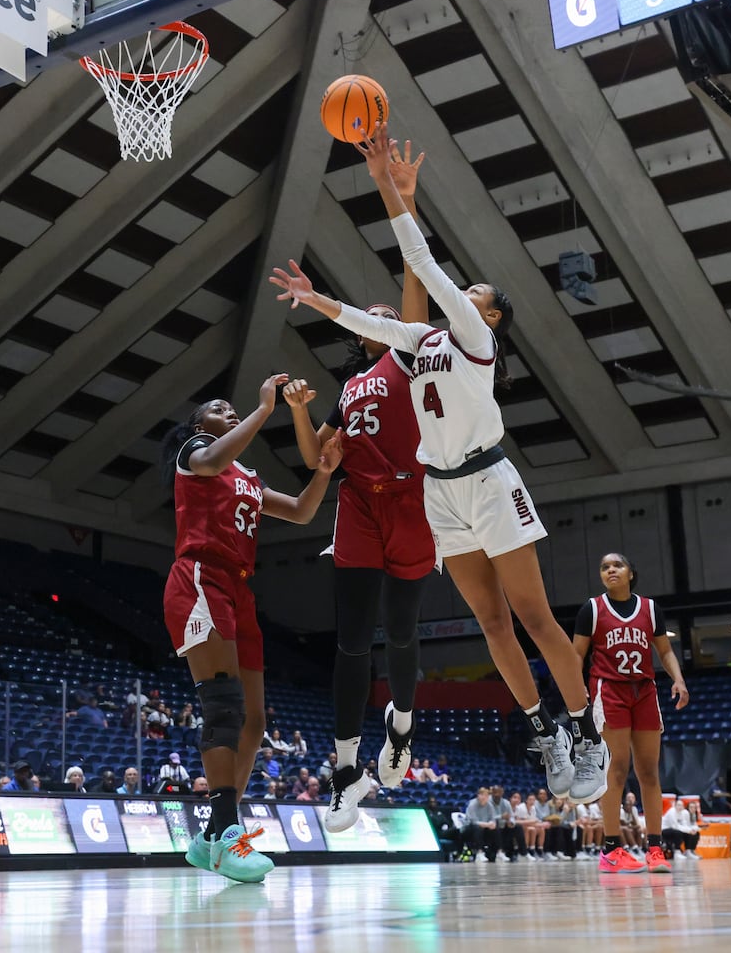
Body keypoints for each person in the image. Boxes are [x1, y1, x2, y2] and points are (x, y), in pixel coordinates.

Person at [270, 121, 607, 808]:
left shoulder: (473, 336)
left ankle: (586, 732)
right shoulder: (421, 340)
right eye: (469, 293)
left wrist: (395, 194)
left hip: (489, 481)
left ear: (487, 315)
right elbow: (367, 326)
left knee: (535, 618)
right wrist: (312, 300)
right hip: (441, 493)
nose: (468, 296)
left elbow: (422, 267)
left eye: (476, 294)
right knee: (490, 625)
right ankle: (544, 733)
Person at [281, 141, 433, 833]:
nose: (378, 309)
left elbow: (414, 280)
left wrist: (398, 194)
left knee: (399, 634)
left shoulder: (408, 351)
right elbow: (320, 460)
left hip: (411, 499)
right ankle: (344, 769)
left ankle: (399, 725)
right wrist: (300, 414)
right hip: (358, 505)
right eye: (365, 312)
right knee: (350, 641)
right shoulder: (350, 385)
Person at [160, 373, 342, 885]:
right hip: (200, 576)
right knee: (222, 705)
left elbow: (304, 513)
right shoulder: (196, 452)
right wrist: (265, 410)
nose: (230, 410)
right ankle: (224, 834)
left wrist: (324, 472)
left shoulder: (247, 475)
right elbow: (214, 460)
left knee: (255, 721)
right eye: (219, 408)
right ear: (201, 424)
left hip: (239, 589)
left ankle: (211, 838)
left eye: (232, 408)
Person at [572, 552, 689, 874]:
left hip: (645, 691)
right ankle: (612, 849)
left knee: (650, 773)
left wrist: (678, 679)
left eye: (617, 565)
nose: (610, 570)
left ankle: (655, 849)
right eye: (604, 567)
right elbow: (576, 654)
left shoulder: (650, 609)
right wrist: (575, 686)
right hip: (609, 691)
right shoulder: (592, 609)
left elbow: (664, 650)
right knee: (617, 770)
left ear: (630, 573)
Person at [463, 786, 501, 862]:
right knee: (477, 828)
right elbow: (473, 821)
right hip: (470, 828)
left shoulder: (489, 805)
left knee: (496, 829)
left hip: (485, 826)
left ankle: (498, 852)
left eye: (487, 796)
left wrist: (492, 823)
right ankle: (479, 853)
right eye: (483, 795)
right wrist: (487, 824)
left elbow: (492, 818)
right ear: (478, 795)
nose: (485, 797)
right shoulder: (472, 804)